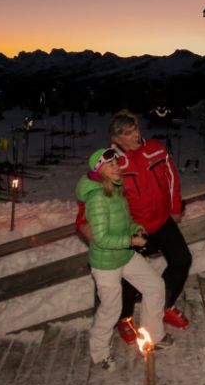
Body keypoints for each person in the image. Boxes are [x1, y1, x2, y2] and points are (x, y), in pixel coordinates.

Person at [77, 147, 172, 371]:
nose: (118, 167)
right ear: (100, 170)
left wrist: (136, 229)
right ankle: (99, 354)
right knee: (111, 309)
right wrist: (132, 241)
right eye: (111, 165)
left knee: (155, 286)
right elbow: (101, 238)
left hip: (125, 255)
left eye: (117, 163)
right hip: (106, 263)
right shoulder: (98, 197)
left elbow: (126, 221)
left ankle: (154, 336)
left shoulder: (115, 190)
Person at [108, 111, 192, 344]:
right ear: (116, 139)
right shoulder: (112, 161)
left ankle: (164, 306)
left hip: (162, 220)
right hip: (134, 229)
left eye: (135, 128)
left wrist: (175, 208)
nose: (135, 134)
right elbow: (103, 194)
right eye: (127, 133)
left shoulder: (155, 149)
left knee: (181, 260)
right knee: (128, 276)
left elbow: (172, 178)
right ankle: (124, 319)